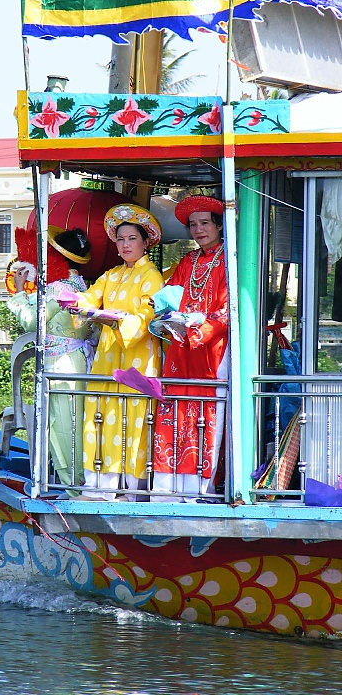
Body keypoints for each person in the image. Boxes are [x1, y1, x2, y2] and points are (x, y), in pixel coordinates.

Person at [69, 204, 164, 500]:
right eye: (120, 239)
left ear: (145, 242)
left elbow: (149, 315)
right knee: (102, 412)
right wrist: (74, 301)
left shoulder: (152, 276)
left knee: (135, 417)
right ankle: (99, 485)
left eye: (132, 238)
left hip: (139, 354)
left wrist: (119, 322)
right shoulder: (111, 275)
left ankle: (135, 491)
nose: (125, 245)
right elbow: (89, 297)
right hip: (110, 352)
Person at [7, 226, 96, 491]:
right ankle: (81, 482)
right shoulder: (83, 285)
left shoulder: (58, 288)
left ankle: (73, 487)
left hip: (61, 363)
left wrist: (20, 293)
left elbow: (31, 322)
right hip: (79, 359)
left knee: (62, 427)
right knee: (77, 423)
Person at [152, 195, 228, 500]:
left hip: (211, 349)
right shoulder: (187, 261)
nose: (199, 230)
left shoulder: (229, 259)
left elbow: (227, 311)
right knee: (175, 408)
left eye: (205, 223)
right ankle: (167, 488)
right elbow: (170, 298)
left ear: (219, 226)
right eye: (193, 224)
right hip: (181, 346)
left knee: (206, 413)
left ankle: (200, 488)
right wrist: (166, 316)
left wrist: (200, 330)